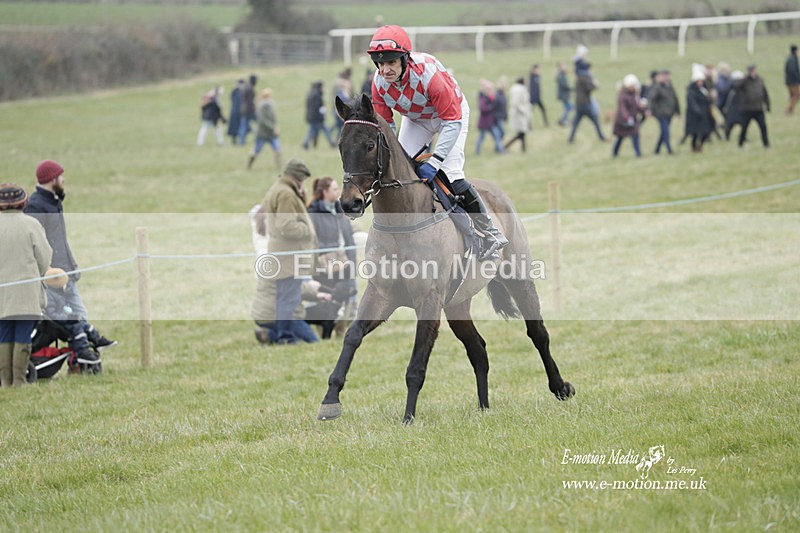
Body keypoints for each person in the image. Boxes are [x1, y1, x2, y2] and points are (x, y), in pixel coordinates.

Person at [367, 24, 507, 260]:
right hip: (416, 119)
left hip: (451, 117)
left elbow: (452, 122)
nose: (385, 70)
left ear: (404, 59)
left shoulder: (428, 75)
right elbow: (387, 128)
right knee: (399, 170)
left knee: (451, 173)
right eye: (380, 64)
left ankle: (489, 232)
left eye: (391, 62)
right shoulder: (379, 83)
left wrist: (435, 161)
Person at [23, 160, 116, 366]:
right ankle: (80, 357)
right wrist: (46, 273)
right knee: (69, 319)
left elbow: (60, 241)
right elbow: (35, 244)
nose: (64, 180)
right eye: (60, 176)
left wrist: (72, 266)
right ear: (52, 179)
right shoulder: (36, 206)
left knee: (80, 315)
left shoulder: (54, 202)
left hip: (65, 273)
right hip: (51, 276)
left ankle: (81, 359)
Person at [252, 159, 318, 345]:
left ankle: (279, 335)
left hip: (282, 253)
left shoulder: (278, 189)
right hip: (289, 255)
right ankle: (286, 337)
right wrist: (308, 230)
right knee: (289, 300)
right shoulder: (286, 194)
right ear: (298, 178)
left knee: (285, 298)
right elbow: (287, 226)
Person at [0, 184, 52, 386]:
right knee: (23, 333)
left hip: (2, 293)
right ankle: (20, 381)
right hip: (26, 292)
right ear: (23, 202)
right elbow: (44, 259)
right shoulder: (31, 224)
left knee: (3, 333)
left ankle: (5, 381)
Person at [306, 177, 358, 338]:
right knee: (325, 299)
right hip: (324, 265)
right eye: (334, 189)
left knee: (348, 298)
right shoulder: (312, 212)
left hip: (343, 262)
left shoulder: (341, 210)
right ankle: (323, 332)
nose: (338, 192)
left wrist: (352, 261)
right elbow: (312, 241)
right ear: (325, 192)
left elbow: (349, 238)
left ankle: (341, 329)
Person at [568, 61, 606, 143]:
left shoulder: (578, 77)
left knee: (576, 122)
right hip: (585, 103)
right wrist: (595, 84)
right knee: (595, 121)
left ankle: (570, 139)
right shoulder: (586, 77)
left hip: (578, 103)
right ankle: (601, 137)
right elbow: (589, 88)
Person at [734, 65, 770, 148]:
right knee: (744, 127)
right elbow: (736, 86)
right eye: (751, 71)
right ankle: (740, 143)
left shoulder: (760, 80)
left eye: (754, 70)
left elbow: (764, 92)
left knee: (763, 127)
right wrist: (747, 77)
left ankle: (766, 144)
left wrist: (767, 105)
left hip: (758, 108)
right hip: (747, 109)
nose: (753, 73)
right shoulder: (745, 81)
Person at [648, 69, 681, 155]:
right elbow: (651, 99)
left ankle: (657, 149)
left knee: (663, 132)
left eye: (667, 75)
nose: (666, 77)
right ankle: (669, 149)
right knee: (666, 131)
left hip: (669, 113)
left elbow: (675, 99)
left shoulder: (670, 86)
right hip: (661, 113)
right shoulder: (657, 87)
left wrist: (678, 112)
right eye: (664, 76)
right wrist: (649, 109)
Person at [611, 74, 645, 158]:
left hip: (632, 120)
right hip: (623, 121)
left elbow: (636, 106)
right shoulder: (622, 95)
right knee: (620, 137)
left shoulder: (634, 95)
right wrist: (627, 117)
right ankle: (614, 153)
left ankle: (638, 153)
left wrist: (644, 111)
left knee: (635, 135)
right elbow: (623, 108)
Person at [247, 88, 281, 170]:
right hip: (262, 133)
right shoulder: (261, 107)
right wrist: (273, 128)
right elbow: (263, 121)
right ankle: (249, 166)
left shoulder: (270, 106)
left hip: (271, 134)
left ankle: (279, 167)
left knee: (277, 150)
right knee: (256, 151)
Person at [684, 65, 715, 153]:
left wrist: (711, 98)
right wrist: (697, 110)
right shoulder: (691, 91)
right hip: (695, 116)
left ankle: (700, 145)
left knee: (706, 132)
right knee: (695, 133)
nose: (700, 82)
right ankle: (694, 148)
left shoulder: (704, 90)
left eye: (701, 81)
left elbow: (708, 101)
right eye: (698, 81)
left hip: (705, 114)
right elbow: (692, 102)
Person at [302, 81, 336, 150]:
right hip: (317, 118)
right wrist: (321, 115)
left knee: (312, 130)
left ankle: (306, 143)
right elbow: (317, 107)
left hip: (311, 117)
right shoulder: (317, 95)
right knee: (323, 130)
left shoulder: (311, 94)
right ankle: (332, 143)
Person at [475, 79, 504, 155]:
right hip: (484, 122)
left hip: (490, 122)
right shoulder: (482, 98)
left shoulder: (489, 98)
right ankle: (477, 152)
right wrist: (490, 107)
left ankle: (501, 150)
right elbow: (483, 108)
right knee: (481, 138)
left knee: (497, 135)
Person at [504, 77, 532, 153]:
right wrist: (524, 111)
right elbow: (516, 103)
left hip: (520, 113)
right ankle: (506, 146)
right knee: (521, 133)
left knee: (522, 133)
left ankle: (523, 149)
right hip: (519, 114)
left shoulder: (519, 89)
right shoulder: (518, 90)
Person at [331, 67, 353, 139]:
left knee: (339, 126)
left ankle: (337, 137)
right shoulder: (341, 93)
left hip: (340, 111)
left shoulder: (344, 93)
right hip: (340, 112)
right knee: (340, 126)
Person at [237, 74, 257, 145]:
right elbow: (250, 101)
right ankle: (258, 138)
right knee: (259, 123)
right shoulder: (250, 88)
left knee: (243, 126)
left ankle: (242, 141)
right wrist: (253, 110)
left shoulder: (247, 87)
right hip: (249, 110)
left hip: (244, 110)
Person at [555, 61, 572, 126]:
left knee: (568, 107)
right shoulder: (560, 75)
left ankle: (563, 120)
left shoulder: (562, 74)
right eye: (564, 66)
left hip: (564, 94)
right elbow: (564, 85)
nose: (565, 67)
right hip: (563, 95)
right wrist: (571, 88)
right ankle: (562, 120)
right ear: (560, 67)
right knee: (569, 107)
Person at [227, 79, 244, 145]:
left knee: (237, 126)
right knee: (237, 126)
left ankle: (238, 139)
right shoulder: (238, 92)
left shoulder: (235, 92)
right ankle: (237, 140)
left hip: (234, 111)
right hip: (237, 112)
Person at [784, 44, 799, 115]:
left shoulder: (790, 58)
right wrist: (797, 79)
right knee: (796, 95)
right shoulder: (792, 60)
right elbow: (792, 71)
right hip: (793, 81)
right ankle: (788, 110)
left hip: (789, 81)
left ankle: (790, 110)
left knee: (792, 96)